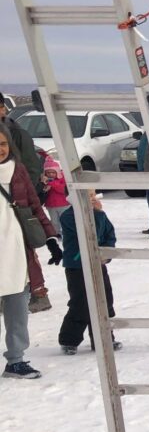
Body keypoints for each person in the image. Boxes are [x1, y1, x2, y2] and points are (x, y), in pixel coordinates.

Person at [0, 129, 61, 379]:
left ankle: (15, 360)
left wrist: (51, 238)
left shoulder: (18, 170)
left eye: (3, 143)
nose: (0, 149)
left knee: (17, 308)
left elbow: (35, 205)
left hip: (15, 249)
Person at [56, 192, 119, 354]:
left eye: (93, 194)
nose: (92, 198)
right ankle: (69, 340)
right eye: (87, 195)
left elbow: (109, 233)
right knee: (81, 303)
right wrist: (97, 214)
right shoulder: (68, 216)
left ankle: (104, 338)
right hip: (77, 265)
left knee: (104, 299)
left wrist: (107, 253)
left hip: (98, 263)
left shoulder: (98, 214)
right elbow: (91, 235)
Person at [39, 148, 70, 226]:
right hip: (51, 205)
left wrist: (51, 183)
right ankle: (56, 232)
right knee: (54, 223)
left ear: (57, 171)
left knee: (65, 222)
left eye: (53, 172)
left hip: (63, 204)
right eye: (48, 172)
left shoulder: (62, 178)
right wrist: (44, 188)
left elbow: (62, 190)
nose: (51, 174)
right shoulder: (44, 180)